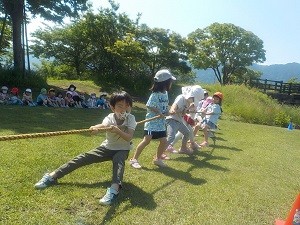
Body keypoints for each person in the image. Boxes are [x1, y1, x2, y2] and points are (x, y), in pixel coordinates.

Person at [34, 91, 137, 206]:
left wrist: (117, 130)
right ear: (112, 107)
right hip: (107, 147)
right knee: (83, 157)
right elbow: (103, 125)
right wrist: (95, 128)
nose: (123, 109)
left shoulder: (131, 118)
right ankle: (52, 176)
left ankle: (114, 189)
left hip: (122, 149)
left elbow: (129, 137)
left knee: (119, 161)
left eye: (126, 105)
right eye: (120, 106)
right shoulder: (110, 117)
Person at [129, 69, 176, 169]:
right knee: (147, 140)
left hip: (161, 123)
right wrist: (159, 112)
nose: (171, 83)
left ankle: (157, 159)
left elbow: (164, 105)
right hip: (152, 122)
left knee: (164, 141)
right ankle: (134, 159)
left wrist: (167, 112)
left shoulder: (165, 93)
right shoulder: (155, 94)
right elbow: (149, 105)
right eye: (170, 82)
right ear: (165, 83)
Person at [165, 85, 204, 154]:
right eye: (193, 99)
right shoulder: (181, 98)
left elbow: (184, 112)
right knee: (171, 136)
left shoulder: (188, 102)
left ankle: (183, 148)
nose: (193, 101)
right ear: (190, 96)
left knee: (187, 132)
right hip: (172, 120)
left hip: (179, 120)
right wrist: (172, 109)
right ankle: (162, 152)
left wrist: (186, 111)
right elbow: (174, 105)